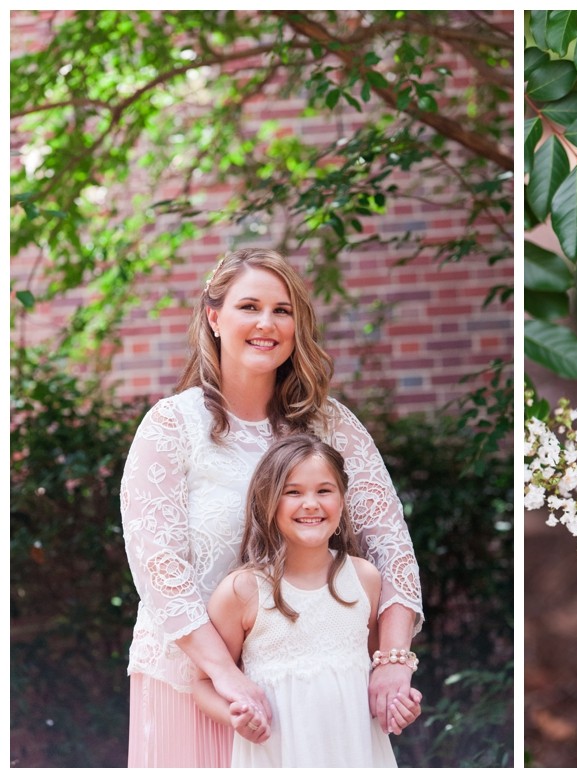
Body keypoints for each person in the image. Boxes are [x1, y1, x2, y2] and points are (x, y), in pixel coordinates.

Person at [121, 248, 423, 767]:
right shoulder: (172, 426)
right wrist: (227, 676)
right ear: (214, 317)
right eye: (249, 307)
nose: (267, 323)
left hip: (313, 694)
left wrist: (393, 661)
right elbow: (158, 567)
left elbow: (392, 546)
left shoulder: (332, 426)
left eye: (282, 310)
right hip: (196, 686)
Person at [192, 433, 422, 766]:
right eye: (293, 492)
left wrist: (396, 705)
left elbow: (375, 674)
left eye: (324, 491)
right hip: (279, 758)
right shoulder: (242, 591)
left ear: (342, 501)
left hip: (356, 755)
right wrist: (236, 716)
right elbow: (203, 683)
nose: (311, 503)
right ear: (268, 501)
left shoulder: (364, 579)